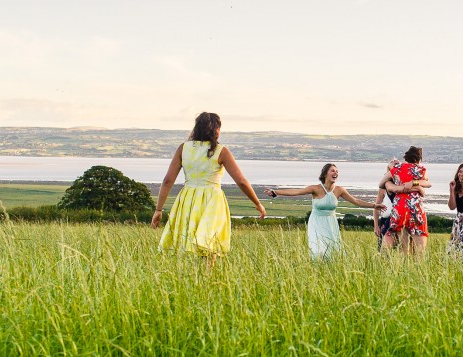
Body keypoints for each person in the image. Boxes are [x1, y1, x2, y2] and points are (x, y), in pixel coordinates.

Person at [151, 112, 266, 265]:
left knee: (187, 242)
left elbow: (168, 181)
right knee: (209, 243)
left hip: (188, 199)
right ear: (217, 129)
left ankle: (190, 278)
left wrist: (159, 209)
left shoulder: (183, 148)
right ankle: (206, 278)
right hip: (212, 201)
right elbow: (241, 182)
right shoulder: (221, 150)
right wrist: (258, 204)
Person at [265, 163, 385, 260]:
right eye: (332, 171)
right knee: (319, 250)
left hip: (331, 223)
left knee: (333, 250)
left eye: (337, 171)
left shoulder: (339, 190)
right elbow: (295, 192)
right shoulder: (315, 189)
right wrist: (276, 192)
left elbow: (356, 201)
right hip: (316, 222)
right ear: (325, 174)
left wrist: (375, 205)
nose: (335, 173)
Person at [381, 146, 432, 254]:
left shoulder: (397, 169)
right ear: (419, 159)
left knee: (404, 250)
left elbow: (381, 183)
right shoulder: (422, 170)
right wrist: (415, 186)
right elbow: (427, 184)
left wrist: (398, 187)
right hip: (416, 208)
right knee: (420, 251)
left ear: (406, 157)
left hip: (400, 208)